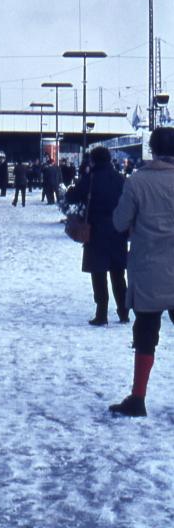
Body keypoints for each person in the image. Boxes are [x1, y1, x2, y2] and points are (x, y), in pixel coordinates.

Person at [109, 127, 174, 418]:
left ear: (152, 148)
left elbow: (120, 222)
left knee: (146, 333)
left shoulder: (137, 182)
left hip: (148, 269)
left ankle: (138, 398)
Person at [66, 145, 128, 326]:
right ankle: (123, 312)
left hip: (96, 231)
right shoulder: (120, 179)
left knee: (98, 272)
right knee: (118, 273)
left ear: (93, 160)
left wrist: (82, 176)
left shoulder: (90, 178)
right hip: (118, 230)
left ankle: (101, 313)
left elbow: (72, 197)